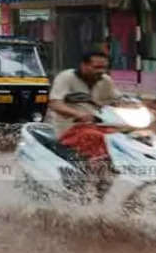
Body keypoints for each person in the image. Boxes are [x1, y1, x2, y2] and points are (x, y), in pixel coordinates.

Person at [46, 51, 124, 198]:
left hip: (98, 126)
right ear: (84, 65)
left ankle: (111, 182)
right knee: (96, 138)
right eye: (96, 67)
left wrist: (144, 109)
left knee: (125, 139)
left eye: (104, 67)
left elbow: (118, 100)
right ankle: (88, 184)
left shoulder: (105, 81)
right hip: (69, 128)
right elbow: (55, 104)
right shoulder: (66, 77)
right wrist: (79, 114)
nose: (101, 71)